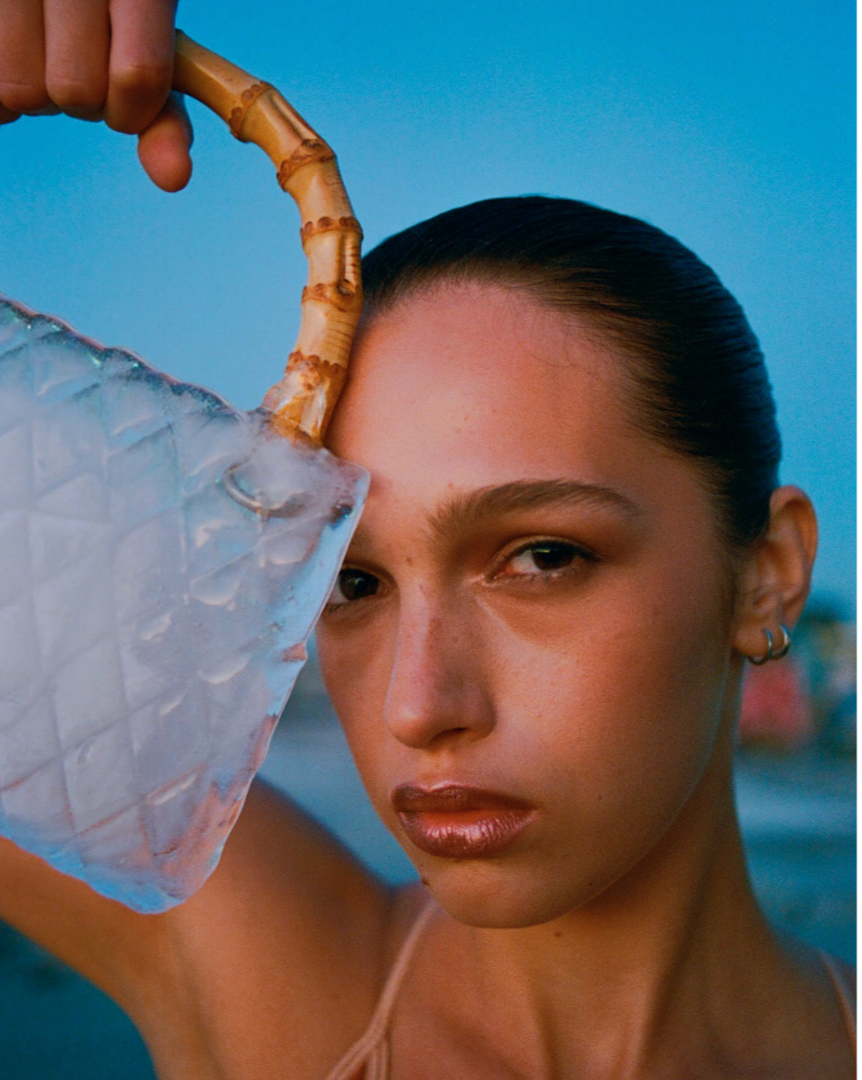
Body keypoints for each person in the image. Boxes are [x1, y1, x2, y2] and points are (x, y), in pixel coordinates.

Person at [0, 6, 855, 1078]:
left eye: (541, 557)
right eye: (352, 580)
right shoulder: (256, 967)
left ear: (766, 574)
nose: (419, 706)